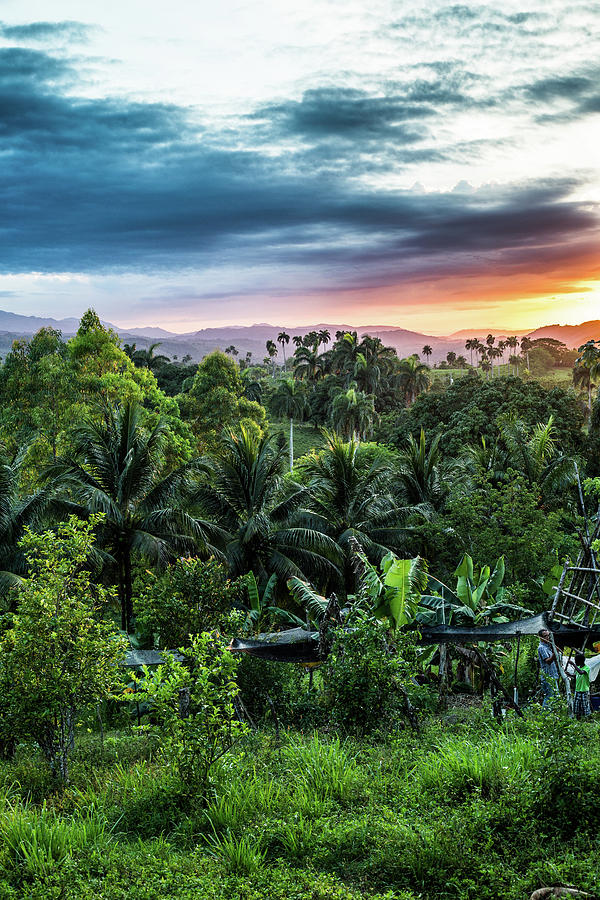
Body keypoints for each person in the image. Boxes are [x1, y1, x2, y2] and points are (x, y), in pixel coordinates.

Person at [538, 629, 559, 708]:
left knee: (555, 697)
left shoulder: (549, 647)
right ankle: (544, 715)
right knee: (549, 697)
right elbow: (548, 661)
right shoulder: (542, 648)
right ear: (540, 637)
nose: (547, 637)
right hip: (548, 677)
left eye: (548, 635)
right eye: (545, 636)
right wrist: (555, 653)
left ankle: (552, 716)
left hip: (552, 676)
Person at [572, 651, 592, 719]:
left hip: (584, 690)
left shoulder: (586, 668)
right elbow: (575, 676)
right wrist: (568, 674)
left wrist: (573, 665)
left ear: (580, 661)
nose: (575, 663)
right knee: (577, 706)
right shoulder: (578, 668)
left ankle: (588, 719)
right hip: (577, 690)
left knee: (585, 705)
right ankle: (578, 719)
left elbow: (581, 673)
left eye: (576, 661)